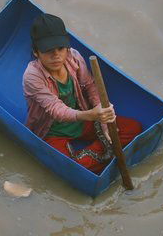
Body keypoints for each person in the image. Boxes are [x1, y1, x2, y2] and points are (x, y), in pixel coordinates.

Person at [22, 13, 142, 174]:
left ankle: (97, 153)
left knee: (133, 128)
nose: (56, 55)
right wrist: (92, 115)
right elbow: (56, 110)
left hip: (81, 121)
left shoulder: (74, 57)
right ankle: (99, 155)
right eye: (48, 50)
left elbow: (90, 86)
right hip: (53, 132)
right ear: (36, 52)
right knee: (73, 171)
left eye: (60, 48)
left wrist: (103, 119)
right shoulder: (32, 75)